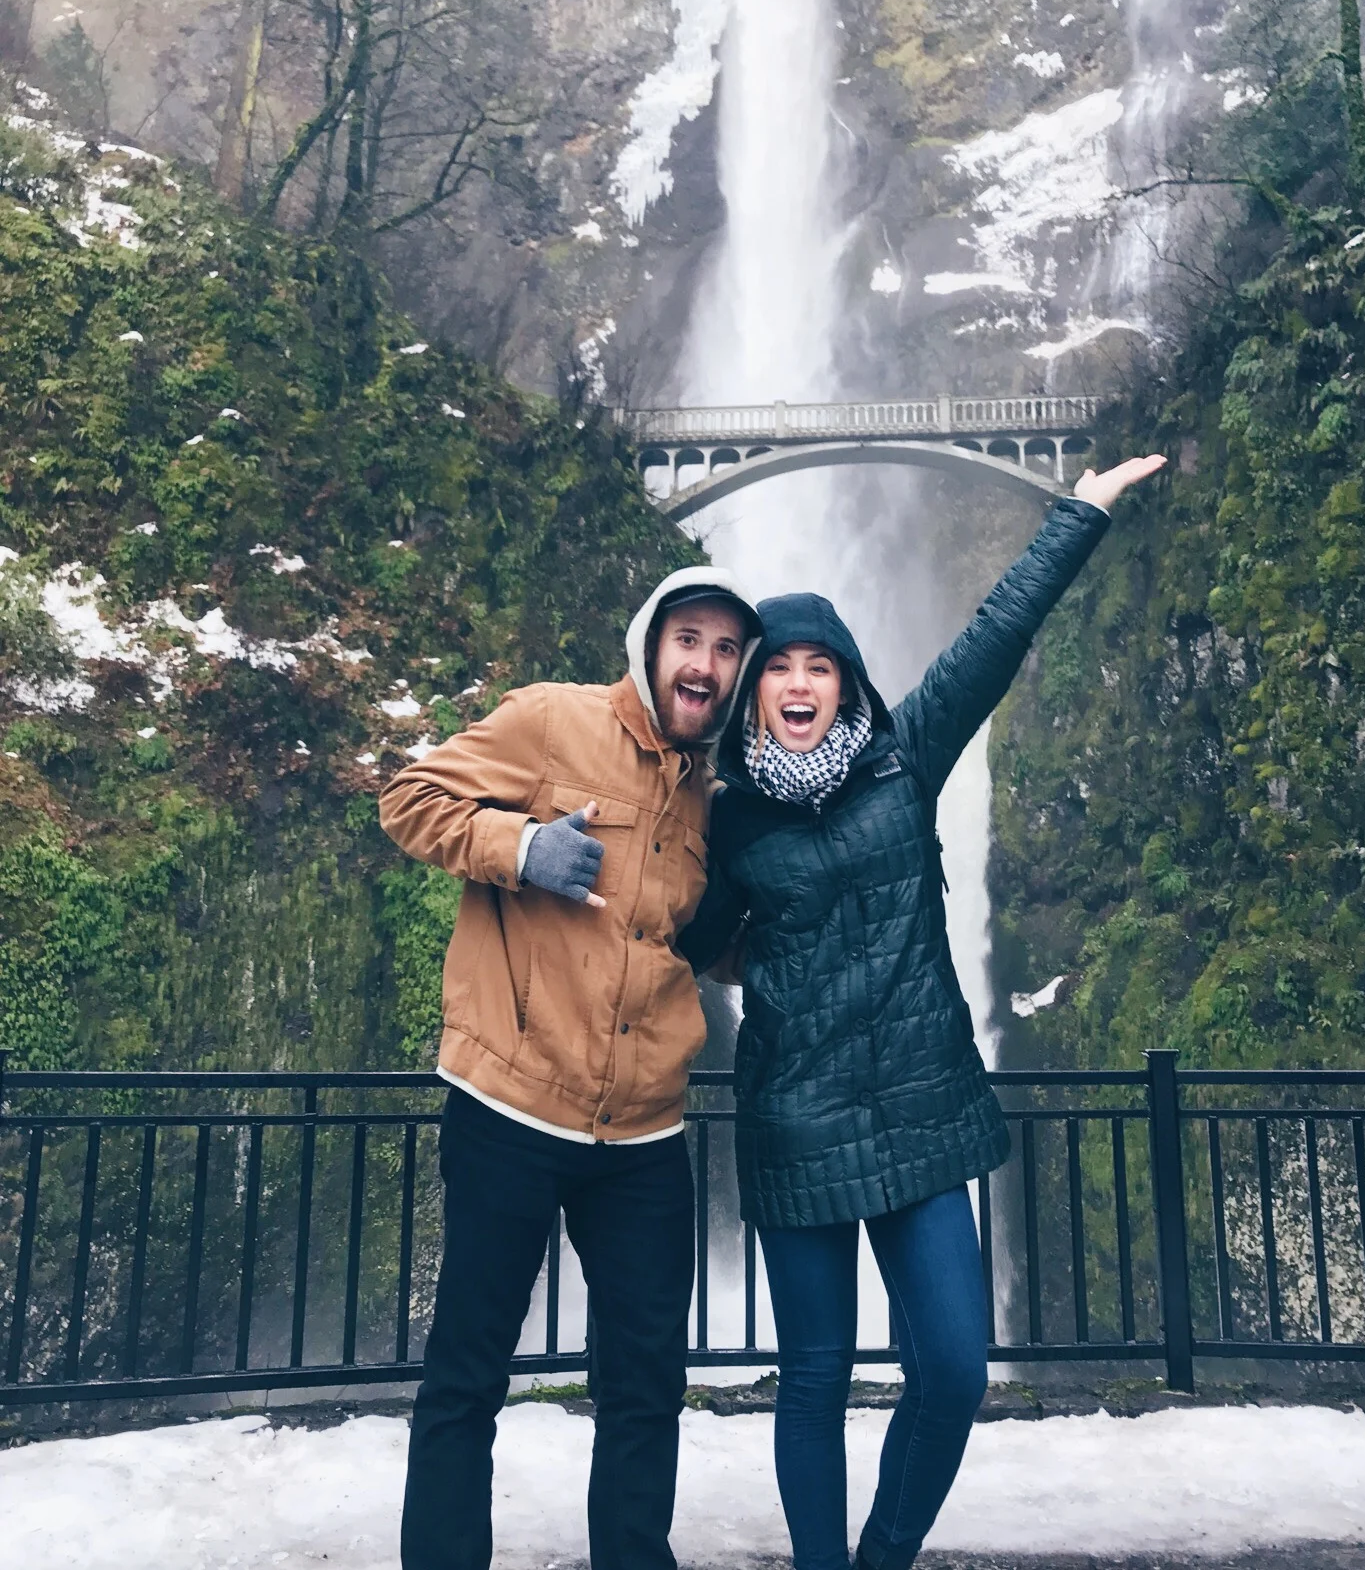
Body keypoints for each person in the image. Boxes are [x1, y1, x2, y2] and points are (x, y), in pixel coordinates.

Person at [678, 457, 1165, 1570]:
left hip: (919, 1111)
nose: (798, 682)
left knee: (949, 1363)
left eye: (820, 665)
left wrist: (1079, 508)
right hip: (796, 1123)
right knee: (813, 1377)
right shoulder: (729, 820)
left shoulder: (903, 762)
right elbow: (683, 931)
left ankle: (883, 1550)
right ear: (753, 688)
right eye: (777, 667)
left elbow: (993, 637)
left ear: (845, 683)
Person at [378, 566, 761, 1570]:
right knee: (467, 1372)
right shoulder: (552, 720)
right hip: (511, 1101)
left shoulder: (708, 801)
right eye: (690, 638)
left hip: (641, 1130)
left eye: (726, 649)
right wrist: (516, 844)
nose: (705, 664)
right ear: (650, 644)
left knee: (644, 1379)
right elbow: (407, 798)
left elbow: (698, 941)